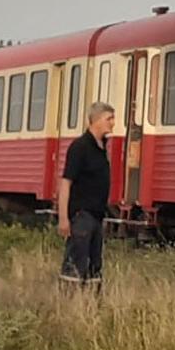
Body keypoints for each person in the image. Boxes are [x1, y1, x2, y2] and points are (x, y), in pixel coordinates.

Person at [58, 102, 115, 289]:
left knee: (94, 265)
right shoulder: (80, 147)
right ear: (96, 120)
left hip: (97, 216)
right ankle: (68, 303)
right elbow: (66, 183)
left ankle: (91, 305)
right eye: (109, 119)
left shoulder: (101, 148)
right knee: (76, 262)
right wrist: (64, 218)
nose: (113, 123)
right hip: (81, 215)